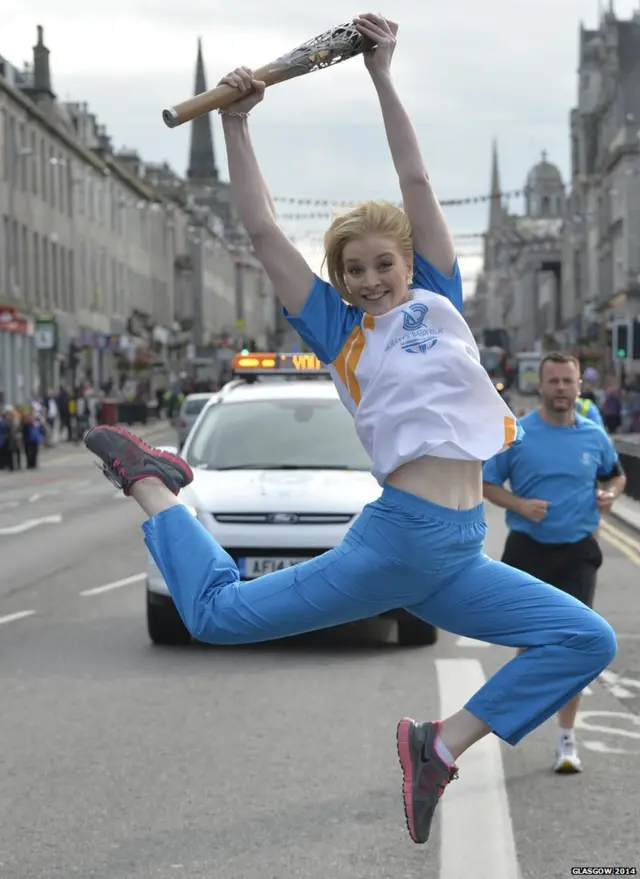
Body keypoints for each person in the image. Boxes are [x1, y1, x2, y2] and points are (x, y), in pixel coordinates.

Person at [84, 14, 616, 847]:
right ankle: (152, 483)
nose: (369, 280)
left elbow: (416, 182)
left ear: (409, 263)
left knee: (584, 638)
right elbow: (262, 230)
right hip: (402, 541)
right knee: (215, 617)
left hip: (457, 545)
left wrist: (382, 73)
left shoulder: (441, 298)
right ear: (339, 282)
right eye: (352, 271)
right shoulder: (341, 333)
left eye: (381, 265)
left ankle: (436, 746)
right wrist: (236, 121)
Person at [483, 351, 625, 773]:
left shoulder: (593, 435)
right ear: (541, 385)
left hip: (578, 551)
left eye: (568, 381)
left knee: (576, 647)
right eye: (554, 381)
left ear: (579, 386)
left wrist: (611, 495)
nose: (561, 389)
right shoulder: (519, 433)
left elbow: (615, 474)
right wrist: (520, 504)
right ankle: (513, 720)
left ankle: (566, 738)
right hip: (528, 548)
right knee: (529, 647)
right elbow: (487, 481)